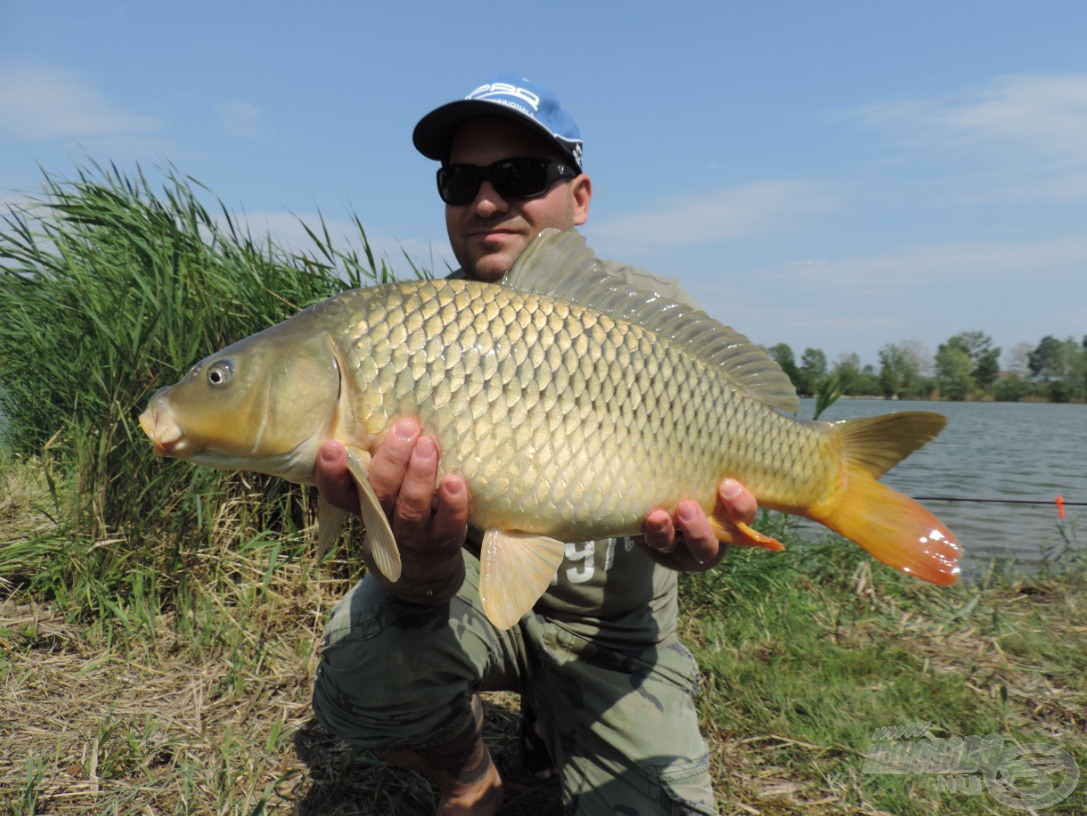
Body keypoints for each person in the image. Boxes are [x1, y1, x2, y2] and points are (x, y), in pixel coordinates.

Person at [311, 72, 759, 816]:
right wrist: (414, 569)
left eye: (519, 176)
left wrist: (704, 537)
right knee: (362, 657)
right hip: (477, 608)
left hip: (615, 637)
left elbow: (715, 495)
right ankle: (464, 771)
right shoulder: (413, 332)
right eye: (460, 180)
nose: (486, 201)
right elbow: (405, 573)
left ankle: (561, 726)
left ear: (578, 197)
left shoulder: (653, 315)